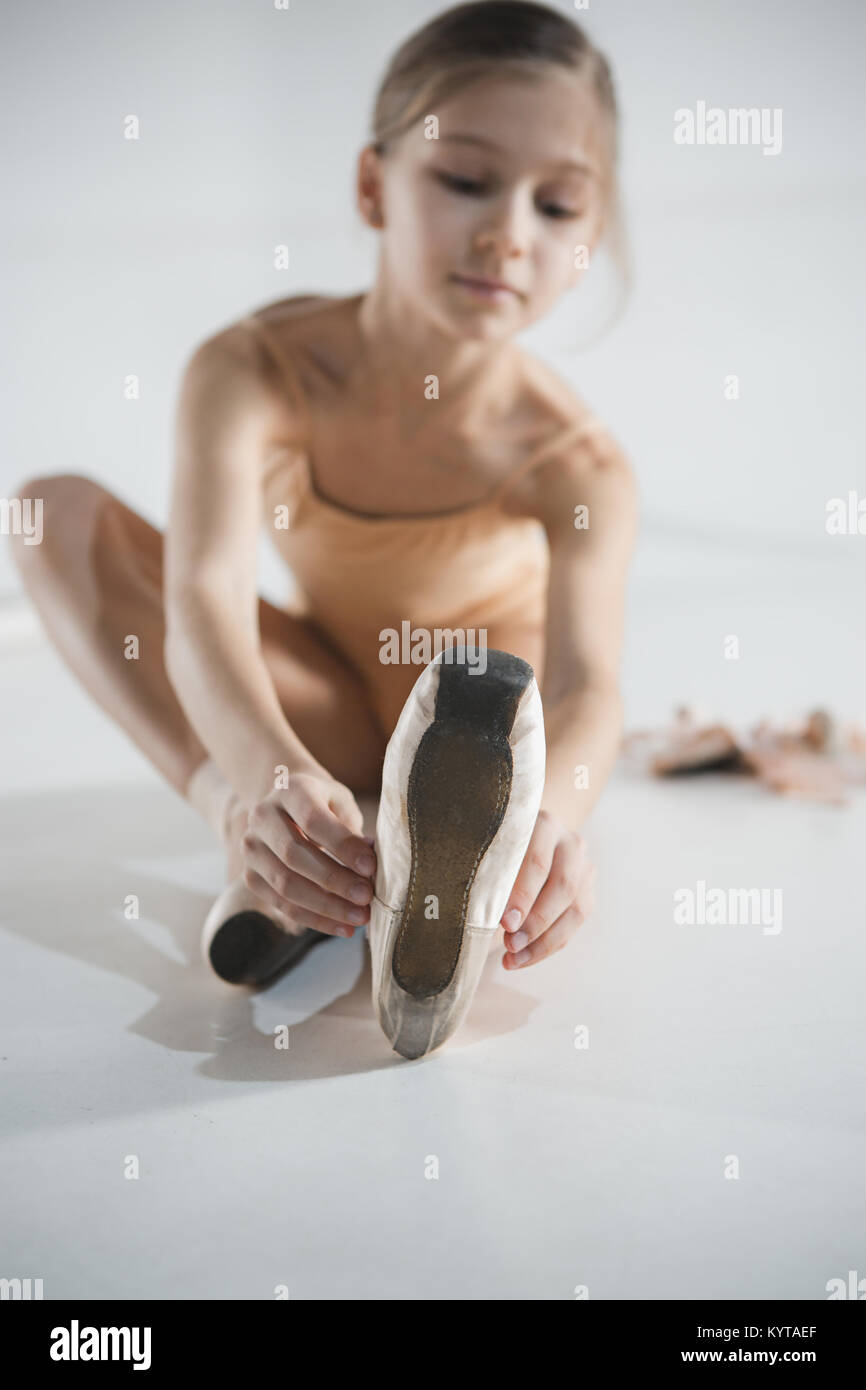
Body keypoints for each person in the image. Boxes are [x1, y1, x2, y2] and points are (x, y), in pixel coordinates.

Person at [10, 0, 637, 977]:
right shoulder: (252, 368)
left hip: (478, 750)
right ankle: (265, 834)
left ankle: (429, 860)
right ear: (372, 185)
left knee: (477, 725)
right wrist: (261, 779)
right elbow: (203, 605)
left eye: (555, 205)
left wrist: (553, 820)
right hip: (330, 713)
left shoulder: (575, 461)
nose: (509, 235)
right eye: (467, 180)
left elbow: (586, 685)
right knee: (45, 509)